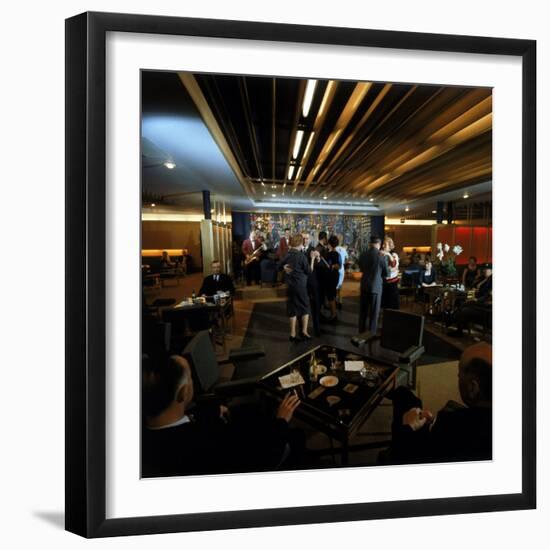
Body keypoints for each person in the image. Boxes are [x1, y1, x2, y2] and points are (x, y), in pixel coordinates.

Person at [142, 354, 302, 477]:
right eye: (190, 378)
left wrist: (211, 412)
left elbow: (185, 425)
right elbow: (264, 458)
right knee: (295, 438)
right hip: (261, 453)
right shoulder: (209, 444)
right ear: (183, 393)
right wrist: (282, 420)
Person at [386, 342, 492, 464]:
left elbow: (404, 459)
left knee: (407, 400)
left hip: (415, 453)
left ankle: (388, 387)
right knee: (411, 400)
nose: (457, 375)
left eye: (460, 373)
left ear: (473, 388)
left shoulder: (451, 426)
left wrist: (407, 427)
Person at [279, 234, 313, 342]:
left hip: (290, 286)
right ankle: (304, 331)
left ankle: (292, 334)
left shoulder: (287, 255)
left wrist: (284, 268)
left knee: (292, 309)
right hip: (300, 286)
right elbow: (309, 271)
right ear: (300, 243)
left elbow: (278, 266)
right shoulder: (301, 256)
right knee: (305, 308)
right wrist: (312, 259)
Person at [446, 265, 492, 337]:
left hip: (484, 307)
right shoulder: (483, 279)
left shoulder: (491, 280)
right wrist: (472, 297)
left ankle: (452, 320)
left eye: (487, 269)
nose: (484, 271)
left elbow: (487, 295)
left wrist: (475, 299)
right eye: (484, 270)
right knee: (461, 302)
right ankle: (453, 320)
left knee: (464, 307)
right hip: (477, 299)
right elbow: (474, 289)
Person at [358, 235, 388, 334]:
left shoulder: (363, 255)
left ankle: (361, 333)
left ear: (370, 243)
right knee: (374, 313)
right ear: (379, 244)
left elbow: (361, 268)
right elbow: (386, 273)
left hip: (364, 285)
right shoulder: (381, 256)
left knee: (363, 312)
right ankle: (371, 334)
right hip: (376, 287)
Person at [324, 235, 341, 321]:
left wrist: (331, 266)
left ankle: (333, 314)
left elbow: (332, 265)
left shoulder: (329, 254)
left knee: (330, 296)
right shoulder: (337, 254)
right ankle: (333, 313)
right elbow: (339, 266)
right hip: (335, 276)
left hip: (330, 277)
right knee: (332, 295)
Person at [380, 236, 400, 310]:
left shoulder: (394, 255)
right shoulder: (381, 254)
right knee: (384, 305)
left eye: (385, 244)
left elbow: (393, 265)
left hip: (392, 284)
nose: (383, 246)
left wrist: (388, 254)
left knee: (392, 305)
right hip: (383, 282)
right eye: (383, 244)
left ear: (390, 245)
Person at [335, 241, 348, 310]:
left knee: (334, 286)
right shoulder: (344, 249)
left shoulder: (335, 248)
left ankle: (335, 301)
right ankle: (340, 301)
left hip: (335, 268)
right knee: (340, 286)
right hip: (341, 269)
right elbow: (346, 259)